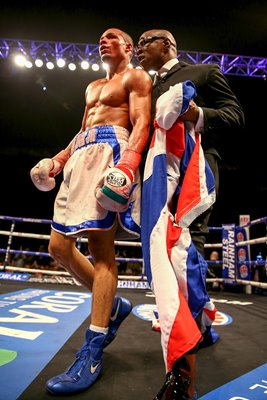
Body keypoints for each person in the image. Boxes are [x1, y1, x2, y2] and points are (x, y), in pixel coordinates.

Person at [30, 27, 152, 395]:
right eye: (101, 37)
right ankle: (113, 306)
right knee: (58, 247)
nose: (103, 40)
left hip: (111, 154)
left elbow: (142, 122)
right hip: (80, 157)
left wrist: (128, 165)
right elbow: (81, 130)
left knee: (101, 253)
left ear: (128, 46)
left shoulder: (136, 76)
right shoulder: (92, 85)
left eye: (111, 36)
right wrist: (57, 160)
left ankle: (93, 348)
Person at [136, 29, 245, 400]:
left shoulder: (202, 72)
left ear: (166, 44)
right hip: (152, 176)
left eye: (144, 40)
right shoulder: (143, 86)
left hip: (192, 171)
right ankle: (199, 326)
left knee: (184, 251)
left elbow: (235, 116)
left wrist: (196, 113)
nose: (137, 47)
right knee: (159, 255)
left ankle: (182, 377)